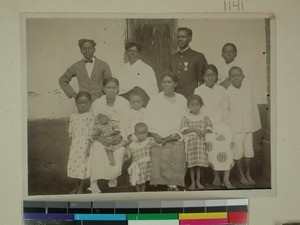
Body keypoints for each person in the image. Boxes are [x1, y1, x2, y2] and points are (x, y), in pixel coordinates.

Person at [194, 65, 235, 189]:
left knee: (228, 143)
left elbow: (227, 109)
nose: (210, 77)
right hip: (207, 125)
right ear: (203, 77)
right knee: (211, 144)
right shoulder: (199, 90)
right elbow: (198, 110)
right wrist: (206, 126)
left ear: (216, 76)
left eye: (212, 75)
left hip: (222, 124)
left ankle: (226, 179)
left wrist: (227, 125)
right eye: (207, 75)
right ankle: (216, 176)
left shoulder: (222, 90)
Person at [144, 74, 187, 191]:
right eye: (163, 82)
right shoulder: (155, 99)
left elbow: (185, 119)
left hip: (175, 134)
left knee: (177, 149)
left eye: (169, 82)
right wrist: (154, 134)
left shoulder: (182, 99)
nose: (166, 84)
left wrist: (178, 134)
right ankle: (160, 182)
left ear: (175, 84)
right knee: (157, 149)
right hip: (157, 133)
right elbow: (147, 118)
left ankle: (173, 184)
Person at [88, 77, 129, 193]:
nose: (111, 90)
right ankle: (94, 183)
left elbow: (126, 123)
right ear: (103, 89)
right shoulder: (97, 104)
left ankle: (112, 176)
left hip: (117, 134)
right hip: (101, 135)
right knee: (98, 150)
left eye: (114, 88)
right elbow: (92, 124)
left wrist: (120, 136)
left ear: (118, 90)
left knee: (119, 151)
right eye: (108, 87)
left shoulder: (124, 103)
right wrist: (99, 138)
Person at [227, 66, 261, 185]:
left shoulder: (248, 89)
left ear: (243, 76)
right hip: (235, 127)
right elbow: (226, 111)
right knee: (238, 150)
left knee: (248, 149)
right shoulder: (227, 92)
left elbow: (252, 108)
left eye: (238, 75)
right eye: (233, 75)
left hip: (247, 125)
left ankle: (248, 173)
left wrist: (253, 124)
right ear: (229, 78)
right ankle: (240, 174)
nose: (236, 77)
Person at [180, 94, 213, 190]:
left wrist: (204, 131)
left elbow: (210, 126)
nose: (195, 107)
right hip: (191, 143)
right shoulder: (186, 116)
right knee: (192, 164)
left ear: (201, 106)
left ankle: (198, 181)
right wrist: (194, 129)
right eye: (192, 105)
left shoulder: (204, 116)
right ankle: (192, 182)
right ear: (188, 106)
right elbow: (183, 129)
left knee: (198, 164)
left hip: (200, 143)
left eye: (197, 105)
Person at [67, 91, 93, 194]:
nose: (82, 105)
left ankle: (82, 187)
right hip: (75, 145)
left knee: (82, 167)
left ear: (89, 103)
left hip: (85, 145)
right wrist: (70, 146)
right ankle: (76, 186)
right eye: (80, 103)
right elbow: (70, 132)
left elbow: (91, 134)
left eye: (85, 103)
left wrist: (88, 148)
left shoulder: (90, 116)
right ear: (76, 103)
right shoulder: (73, 116)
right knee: (74, 166)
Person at [170, 27, 208, 98]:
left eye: (183, 37)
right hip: (175, 97)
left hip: (191, 97)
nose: (180, 39)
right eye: (178, 37)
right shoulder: (172, 58)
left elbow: (203, 81)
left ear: (190, 39)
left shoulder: (198, 56)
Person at [125, 123, 156, 192]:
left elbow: (155, 149)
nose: (141, 136)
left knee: (143, 181)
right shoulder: (132, 144)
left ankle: (143, 192)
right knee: (137, 180)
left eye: (144, 133)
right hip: (137, 166)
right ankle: (138, 192)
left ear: (147, 133)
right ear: (135, 134)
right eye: (139, 134)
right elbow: (129, 156)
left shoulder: (149, 140)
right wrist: (127, 155)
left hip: (147, 165)